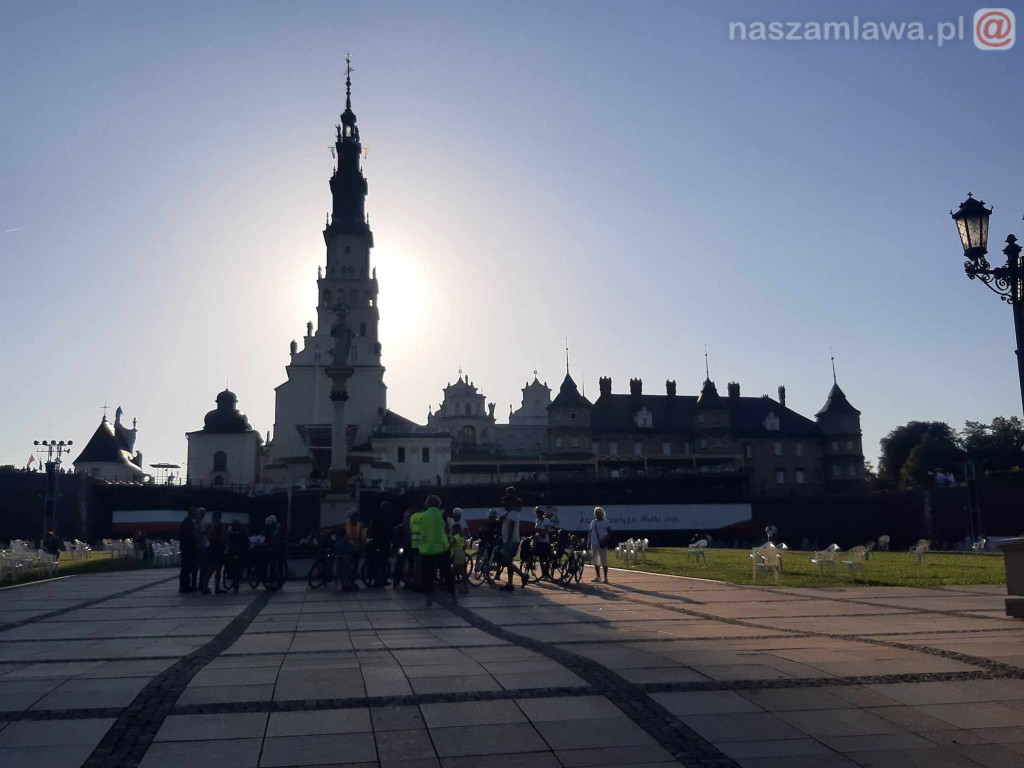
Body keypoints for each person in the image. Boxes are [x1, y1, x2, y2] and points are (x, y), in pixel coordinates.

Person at [418, 495, 455, 607]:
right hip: (441, 548)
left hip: (426, 549)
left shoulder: (422, 516)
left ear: (427, 504)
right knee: (447, 572)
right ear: (439, 504)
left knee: (427, 574)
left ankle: (428, 598)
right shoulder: (443, 514)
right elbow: (448, 531)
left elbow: (421, 530)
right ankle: (453, 595)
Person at [498, 487, 528, 592]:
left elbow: (511, 527)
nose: (504, 504)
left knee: (506, 562)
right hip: (509, 540)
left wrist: (508, 541)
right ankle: (510, 583)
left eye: (506, 502)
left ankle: (523, 575)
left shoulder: (513, 513)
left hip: (511, 541)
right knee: (509, 562)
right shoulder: (511, 512)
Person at [203, 511, 226, 594]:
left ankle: (205, 586)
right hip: (219, 548)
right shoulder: (220, 525)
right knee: (218, 569)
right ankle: (217, 587)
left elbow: (206, 535)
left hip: (211, 547)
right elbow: (224, 536)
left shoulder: (210, 525)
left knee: (211, 568)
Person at [588, 506, 612, 584]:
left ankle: (605, 577)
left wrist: (604, 539)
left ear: (602, 513)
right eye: (596, 513)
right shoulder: (593, 522)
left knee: (604, 559)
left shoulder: (606, 522)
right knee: (595, 560)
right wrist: (588, 543)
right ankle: (598, 576)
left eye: (598, 513)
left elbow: (609, 533)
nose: (597, 515)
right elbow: (590, 533)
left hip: (602, 543)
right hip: (593, 543)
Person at [179, 508, 197, 593]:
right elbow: (189, 535)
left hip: (186, 547)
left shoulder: (186, 521)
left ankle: (185, 585)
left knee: (186, 567)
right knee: (187, 567)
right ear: (191, 513)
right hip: (188, 548)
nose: (196, 515)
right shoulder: (188, 522)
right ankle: (184, 586)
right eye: (195, 513)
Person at [193, 508, 210, 594]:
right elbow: (196, 533)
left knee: (204, 567)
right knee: (197, 567)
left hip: (203, 546)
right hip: (198, 547)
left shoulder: (202, 523)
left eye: (203, 514)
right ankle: (196, 584)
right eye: (201, 514)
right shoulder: (195, 523)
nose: (202, 516)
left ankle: (200, 583)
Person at [533, 506, 553, 579]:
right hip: (538, 541)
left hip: (545, 542)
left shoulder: (546, 520)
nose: (537, 514)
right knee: (541, 558)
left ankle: (546, 574)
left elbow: (546, 531)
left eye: (538, 512)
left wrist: (539, 531)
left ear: (541, 513)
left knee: (546, 558)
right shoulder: (537, 520)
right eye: (536, 512)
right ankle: (543, 574)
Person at [451, 522, 470, 595]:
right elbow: (465, 546)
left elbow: (450, 545)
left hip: (457, 554)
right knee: (462, 572)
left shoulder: (455, 537)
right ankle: (465, 588)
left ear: (455, 530)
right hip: (462, 553)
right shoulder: (461, 537)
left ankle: (454, 588)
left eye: (453, 529)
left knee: (455, 572)